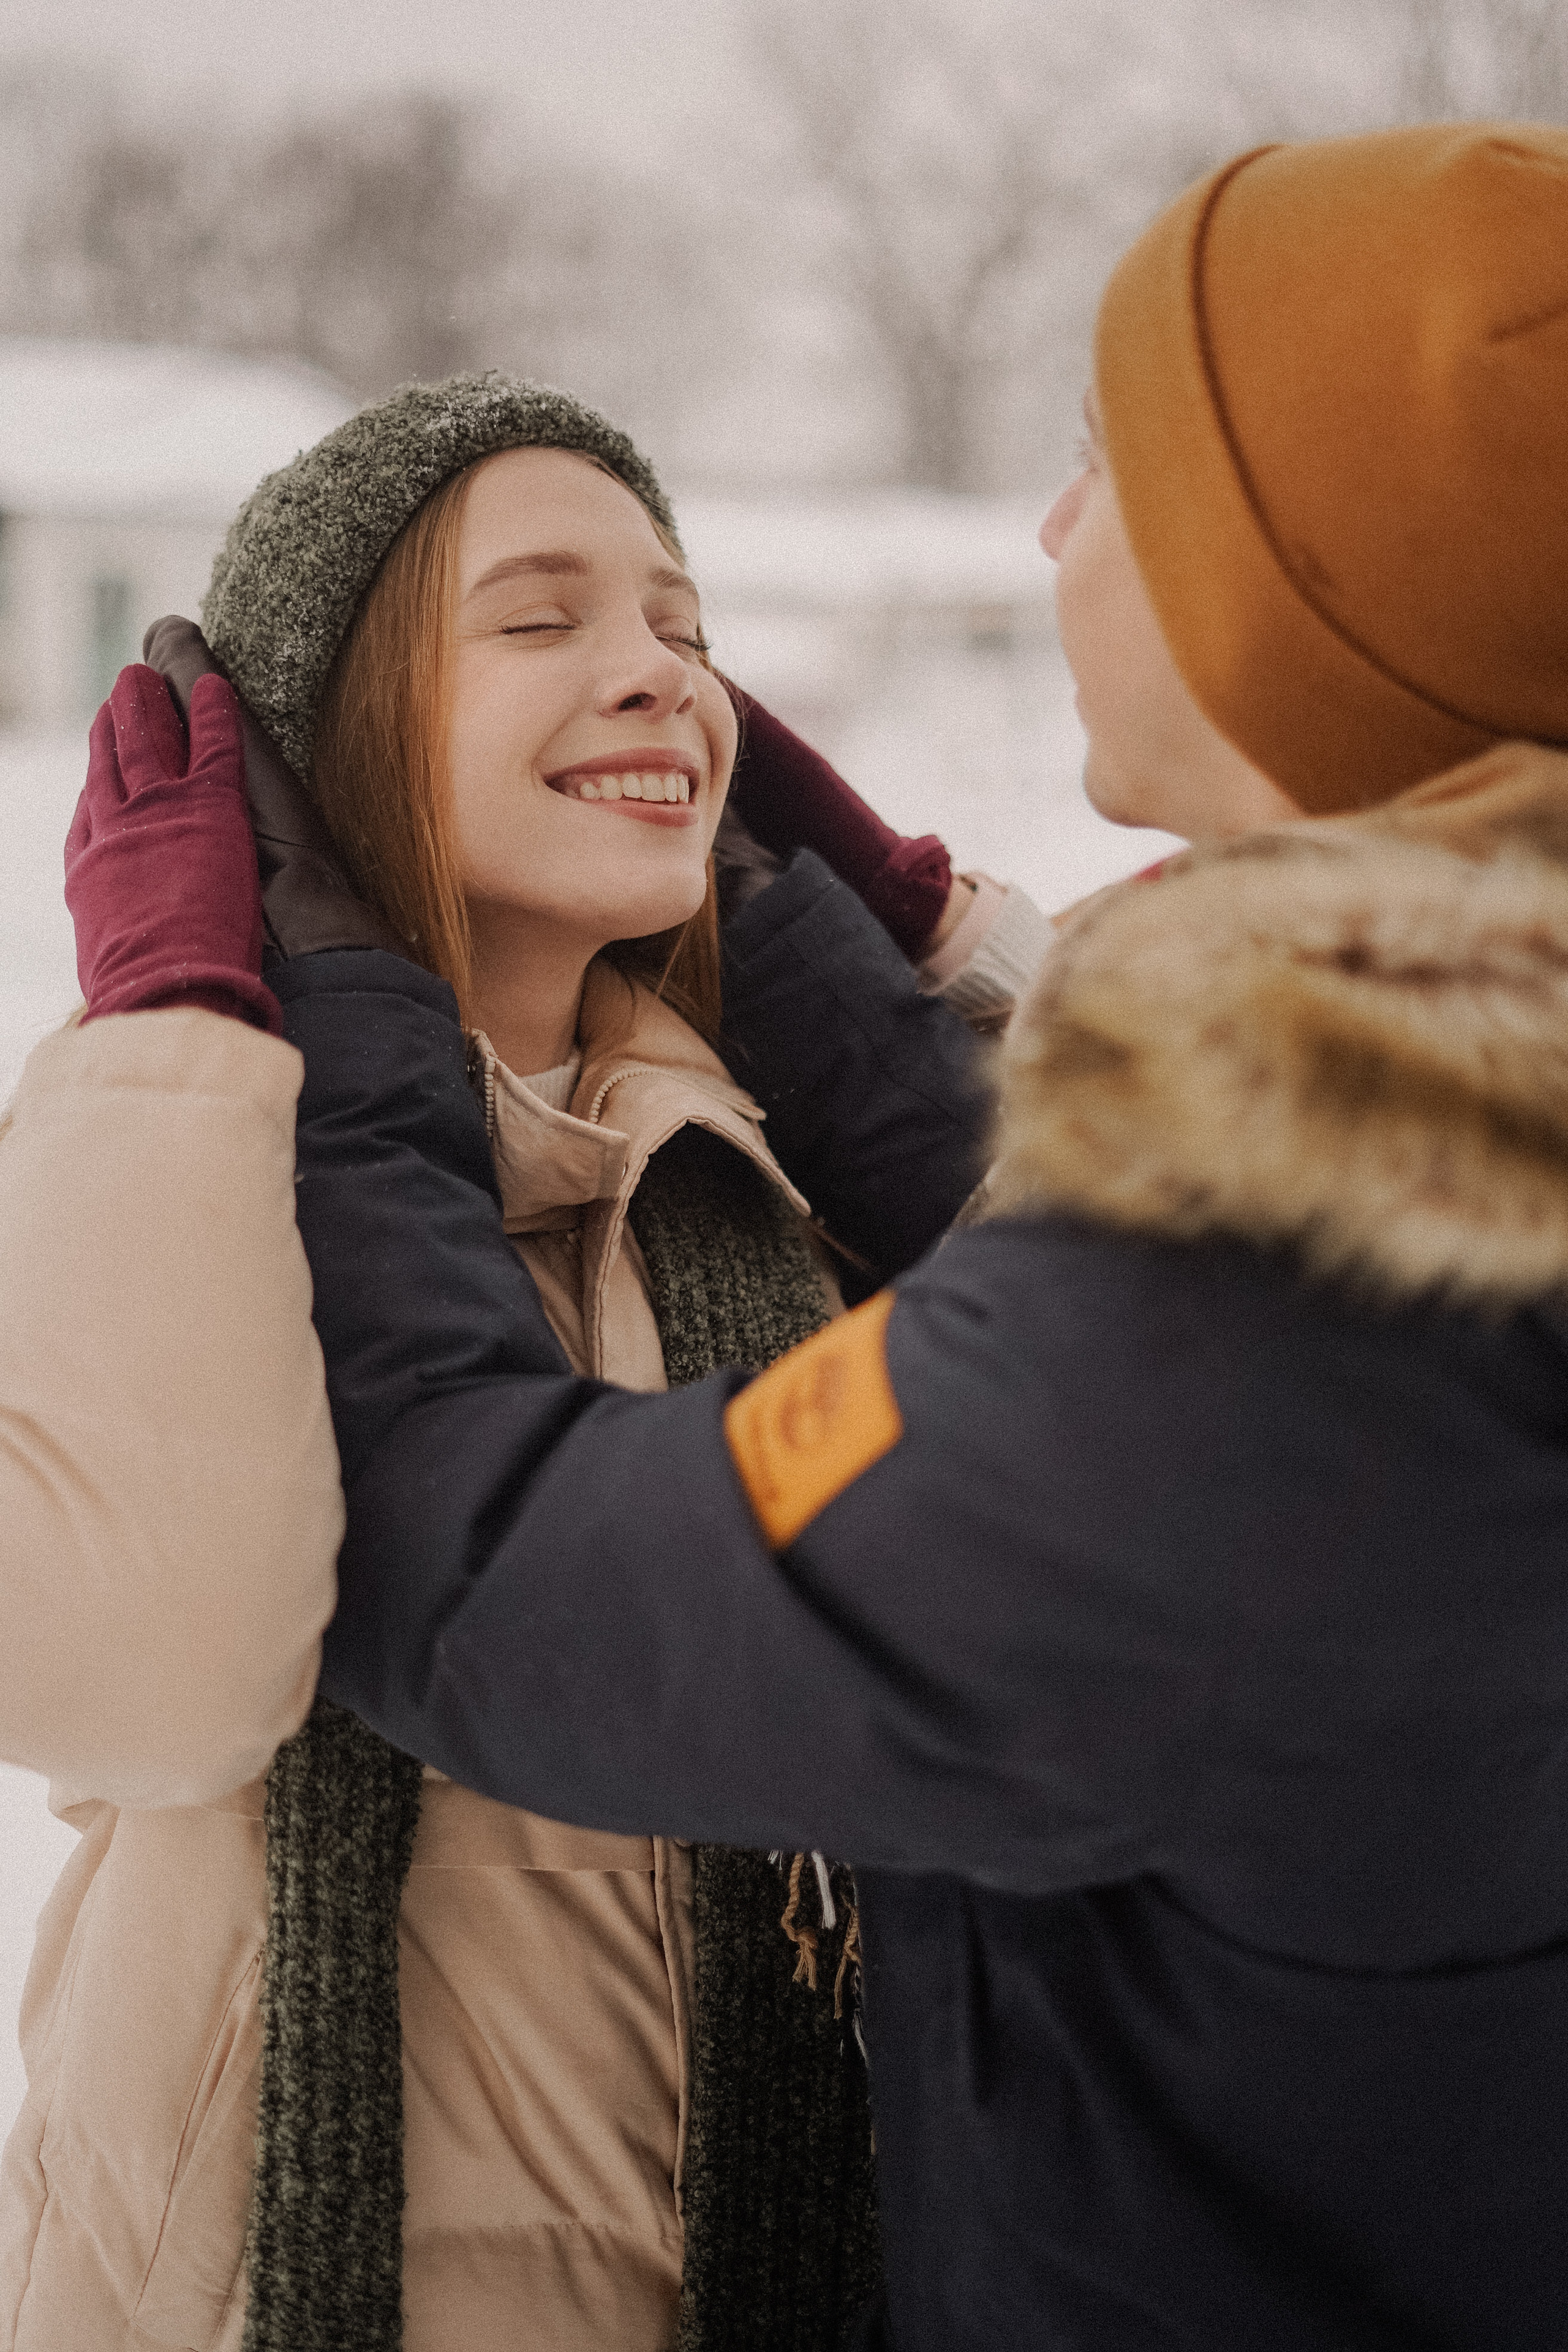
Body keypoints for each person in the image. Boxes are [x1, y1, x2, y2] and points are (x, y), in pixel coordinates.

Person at [154, 123, 1568, 2351]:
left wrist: (311, 1037)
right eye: (543, 620)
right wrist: (849, 994)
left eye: (1112, 466)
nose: (1050, 524)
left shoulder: (1256, 1353)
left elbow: (504, 1581)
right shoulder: (1446, 1180)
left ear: (1292, 582)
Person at [1, 374, 1042, 2352]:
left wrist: (925, 982)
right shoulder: (131, 1169)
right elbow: (154, 1672)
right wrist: (172, 1042)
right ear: (329, 727)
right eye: (544, 617)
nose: (662, 675)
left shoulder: (791, 1191)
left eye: (686, 627)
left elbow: (1218, 1386)